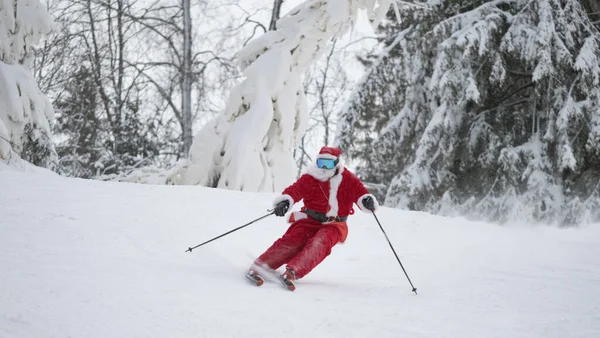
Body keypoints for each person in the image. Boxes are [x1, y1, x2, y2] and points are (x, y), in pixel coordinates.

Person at [247, 146, 379, 290]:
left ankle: (293, 272)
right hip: (310, 219)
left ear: (336, 164)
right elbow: (295, 190)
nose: (323, 167)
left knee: (320, 242)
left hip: (335, 224)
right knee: (293, 240)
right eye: (320, 162)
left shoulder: (348, 179)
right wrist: (285, 201)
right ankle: (261, 266)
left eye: (328, 164)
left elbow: (361, 193)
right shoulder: (311, 177)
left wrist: (367, 200)